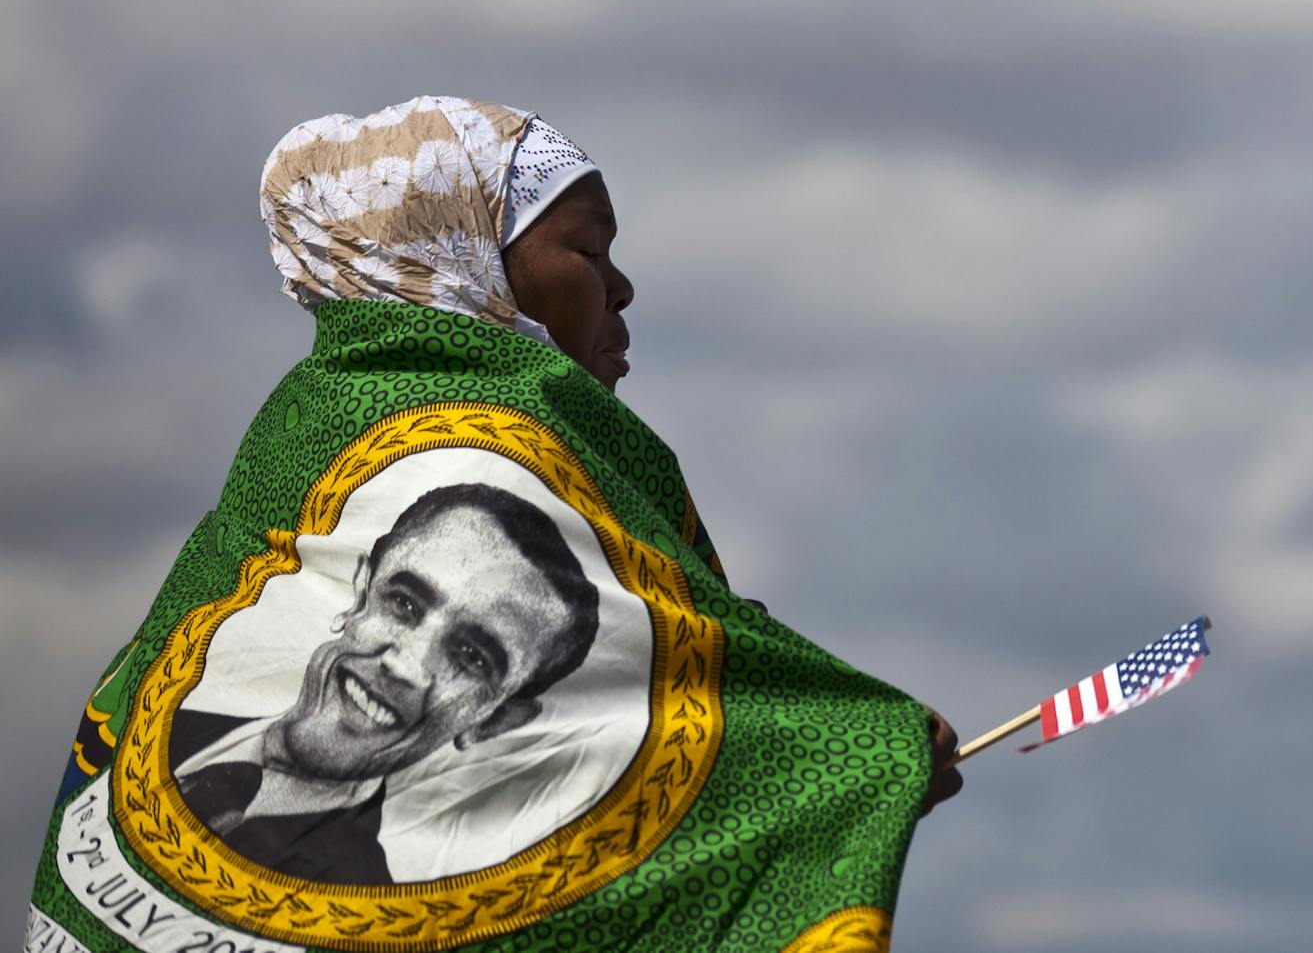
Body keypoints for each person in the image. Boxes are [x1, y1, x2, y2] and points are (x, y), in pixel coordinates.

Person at [39, 95, 958, 953]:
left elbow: (660, 687)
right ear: (474, 260)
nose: (622, 288)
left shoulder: (316, 411)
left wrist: (853, 749)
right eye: (589, 252)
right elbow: (687, 672)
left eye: (475, 657)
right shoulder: (509, 444)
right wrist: (867, 746)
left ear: (505, 716)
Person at [171, 482, 601, 885]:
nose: (405, 666)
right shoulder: (150, 722)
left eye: (470, 657)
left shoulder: (359, 913)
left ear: (495, 720)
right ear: (360, 592)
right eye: (403, 603)